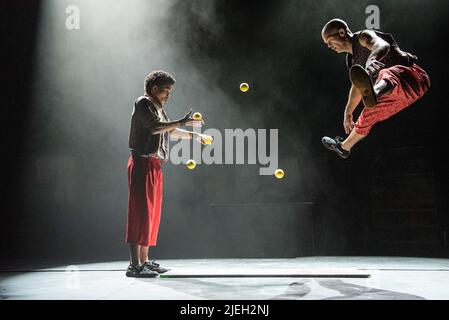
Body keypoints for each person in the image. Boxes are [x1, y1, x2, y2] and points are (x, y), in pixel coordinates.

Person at [125, 70, 211, 277]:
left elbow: (169, 131)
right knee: (140, 214)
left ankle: (144, 261)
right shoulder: (143, 103)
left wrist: (194, 135)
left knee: (151, 216)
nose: (168, 95)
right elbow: (155, 128)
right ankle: (134, 265)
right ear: (154, 89)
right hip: (141, 163)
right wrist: (182, 121)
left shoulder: (158, 108)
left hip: (154, 165)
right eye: (166, 91)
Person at [320, 19, 430, 158]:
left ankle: (376, 92)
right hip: (400, 96)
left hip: (413, 78)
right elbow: (357, 86)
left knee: (385, 74)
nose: (329, 46)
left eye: (329, 41)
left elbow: (381, 45)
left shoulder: (362, 36)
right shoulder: (351, 60)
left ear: (341, 32)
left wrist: (373, 58)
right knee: (368, 114)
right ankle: (344, 147)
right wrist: (348, 111)